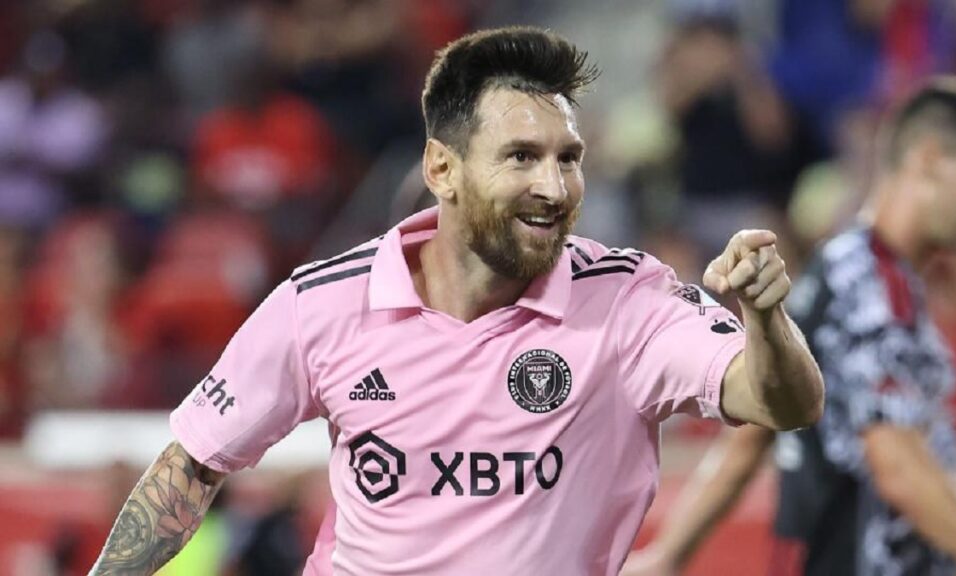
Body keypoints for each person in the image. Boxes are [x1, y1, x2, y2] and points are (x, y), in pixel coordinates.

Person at [89, 27, 823, 575]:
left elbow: (783, 402)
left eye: (568, 159)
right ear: (442, 169)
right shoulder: (323, 304)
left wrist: (765, 319)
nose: (554, 187)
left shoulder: (629, 301)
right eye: (521, 157)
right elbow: (193, 465)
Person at [623, 78, 956, 576]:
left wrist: (671, 554)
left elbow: (755, 431)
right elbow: (899, 470)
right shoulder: (868, 284)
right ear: (929, 159)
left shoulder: (862, 274)